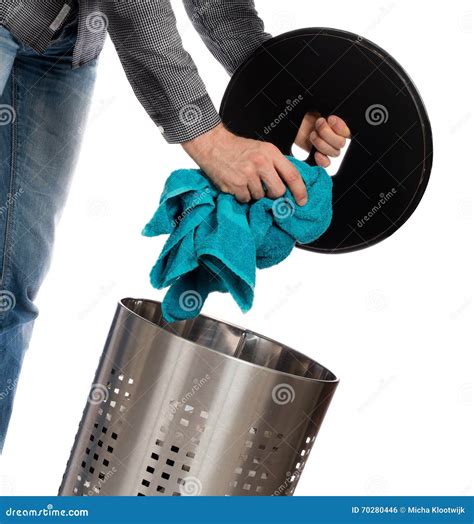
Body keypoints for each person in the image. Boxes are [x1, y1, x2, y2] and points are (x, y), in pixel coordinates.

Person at [0, 0, 350, 452]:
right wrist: (209, 139)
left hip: (64, 42)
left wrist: (285, 101)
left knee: (10, 294)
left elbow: (218, 6)